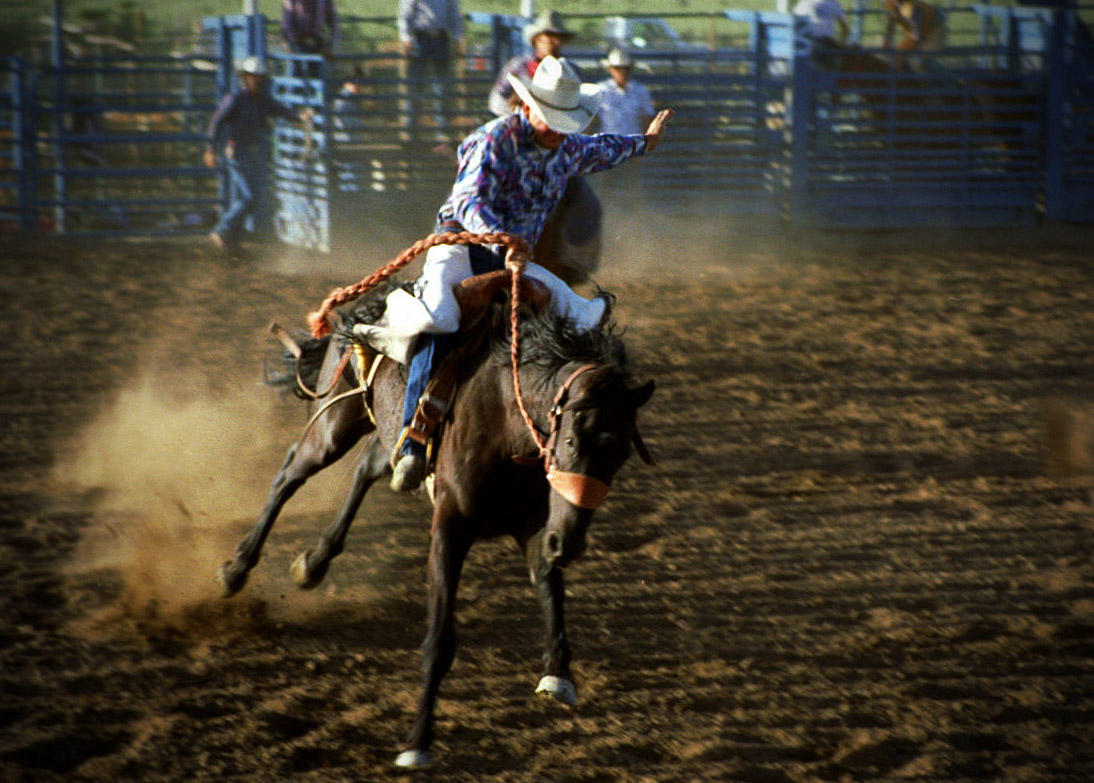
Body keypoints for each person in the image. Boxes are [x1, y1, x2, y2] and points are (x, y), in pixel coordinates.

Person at [356, 56, 674, 492]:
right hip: (462, 244)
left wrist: (645, 142)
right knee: (442, 316)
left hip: (515, 259)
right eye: (551, 120)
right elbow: (469, 200)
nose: (556, 130)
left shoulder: (566, 146)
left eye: (563, 123)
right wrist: (500, 237)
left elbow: (602, 149)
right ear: (527, 108)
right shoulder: (493, 140)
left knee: (580, 316)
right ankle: (414, 439)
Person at [203, 56, 313, 251]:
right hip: (237, 152)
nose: (257, 80)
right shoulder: (235, 100)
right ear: (245, 78)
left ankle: (231, 236)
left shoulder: (263, 101)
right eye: (253, 77)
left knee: (249, 197)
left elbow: (283, 112)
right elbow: (217, 123)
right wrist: (210, 149)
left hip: (252, 153)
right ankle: (222, 230)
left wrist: (299, 118)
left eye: (259, 77)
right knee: (249, 197)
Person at [488, 10, 576, 118]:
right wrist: (523, 117)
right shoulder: (517, 67)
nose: (555, 41)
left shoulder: (570, 71)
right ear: (537, 39)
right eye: (549, 35)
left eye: (559, 36)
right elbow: (496, 101)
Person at [398, 0, 463, 142]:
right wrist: (406, 38)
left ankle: (442, 131)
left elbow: (454, 13)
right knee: (416, 87)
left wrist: (457, 38)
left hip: (441, 39)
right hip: (420, 39)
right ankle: (412, 131)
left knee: (442, 87)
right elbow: (405, 14)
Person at [595, 48, 655, 135]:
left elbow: (648, 118)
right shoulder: (600, 90)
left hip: (632, 142)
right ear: (610, 69)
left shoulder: (641, 91)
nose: (622, 72)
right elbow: (590, 119)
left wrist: (644, 142)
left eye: (626, 68)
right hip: (607, 143)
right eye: (618, 68)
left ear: (631, 69)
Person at [882, 0, 946, 71]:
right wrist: (887, 40)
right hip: (918, 32)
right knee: (899, 55)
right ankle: (899, 78)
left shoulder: (907, 5)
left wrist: (916, 38)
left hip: (935, 29)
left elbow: (915, 21)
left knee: (925, 58)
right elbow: (890, 24)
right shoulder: (891, 7)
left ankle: (947, 79)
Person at [793, 0, 849, 66]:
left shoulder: (833, 3)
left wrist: (841, 45)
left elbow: (844, 28)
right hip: (809, 41)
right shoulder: (805, 3)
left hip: (824, 42)